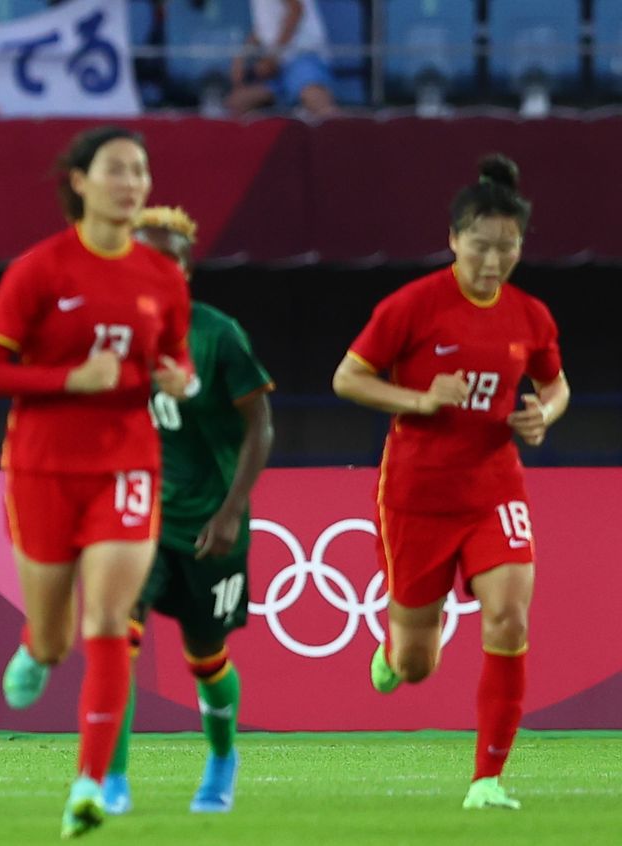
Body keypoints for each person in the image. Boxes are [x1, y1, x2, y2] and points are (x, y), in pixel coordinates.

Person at [0, 126, 195, 838]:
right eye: (117, 170)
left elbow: (177, 365)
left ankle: (89, 784)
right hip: (41, 467)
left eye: (141, 171)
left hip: (127, 464)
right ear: (80, 181)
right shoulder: (41, 269)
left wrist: (177, 381)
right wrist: (69, 379)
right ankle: (37, 648)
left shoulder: (162, 277)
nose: (131, 183)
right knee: (59, 635)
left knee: (109, 621)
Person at [332, 155, 569, 811]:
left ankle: (487, 780)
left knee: (509, 612)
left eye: (508, 248)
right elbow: (347, 378)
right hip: (417, 492)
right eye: (481, 246)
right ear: (454, 238)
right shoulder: (412, 306)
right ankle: (393, 649)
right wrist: (418, 400)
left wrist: (541, 416)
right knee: (415, 665)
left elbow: (556, 385)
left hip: (494, 488)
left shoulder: (531, 316)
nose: (493, 261)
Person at [102, 206, 275, 816]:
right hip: (140, 519)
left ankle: (223, 756)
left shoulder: (217, 335)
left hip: (210, 523)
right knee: (115, 640)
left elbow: (261, 426)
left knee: (206, 658)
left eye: (168, 259)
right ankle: (113, 779)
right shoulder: (117, 338)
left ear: (185, 269)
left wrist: (231, 511)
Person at [225, 0, 338, 120]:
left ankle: (342, 133)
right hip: (277, 67)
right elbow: (264, 29)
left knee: (317, 102)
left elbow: (296, 11)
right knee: (237, 103)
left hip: (302, 55)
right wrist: (241, 58)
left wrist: (273, 56)